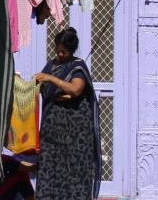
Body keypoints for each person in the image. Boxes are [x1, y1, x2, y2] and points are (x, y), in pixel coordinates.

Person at [33, 28, 101, 200]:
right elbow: (42, 88)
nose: (60, 54)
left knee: (74, 171)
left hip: (75, 134)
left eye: (64, 52)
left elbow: (76, 89)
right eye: (58, 50)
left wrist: (52, 80)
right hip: (52, 132)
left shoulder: (78, 66)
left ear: (72, 51)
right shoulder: (50, 65)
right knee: (50, 168)